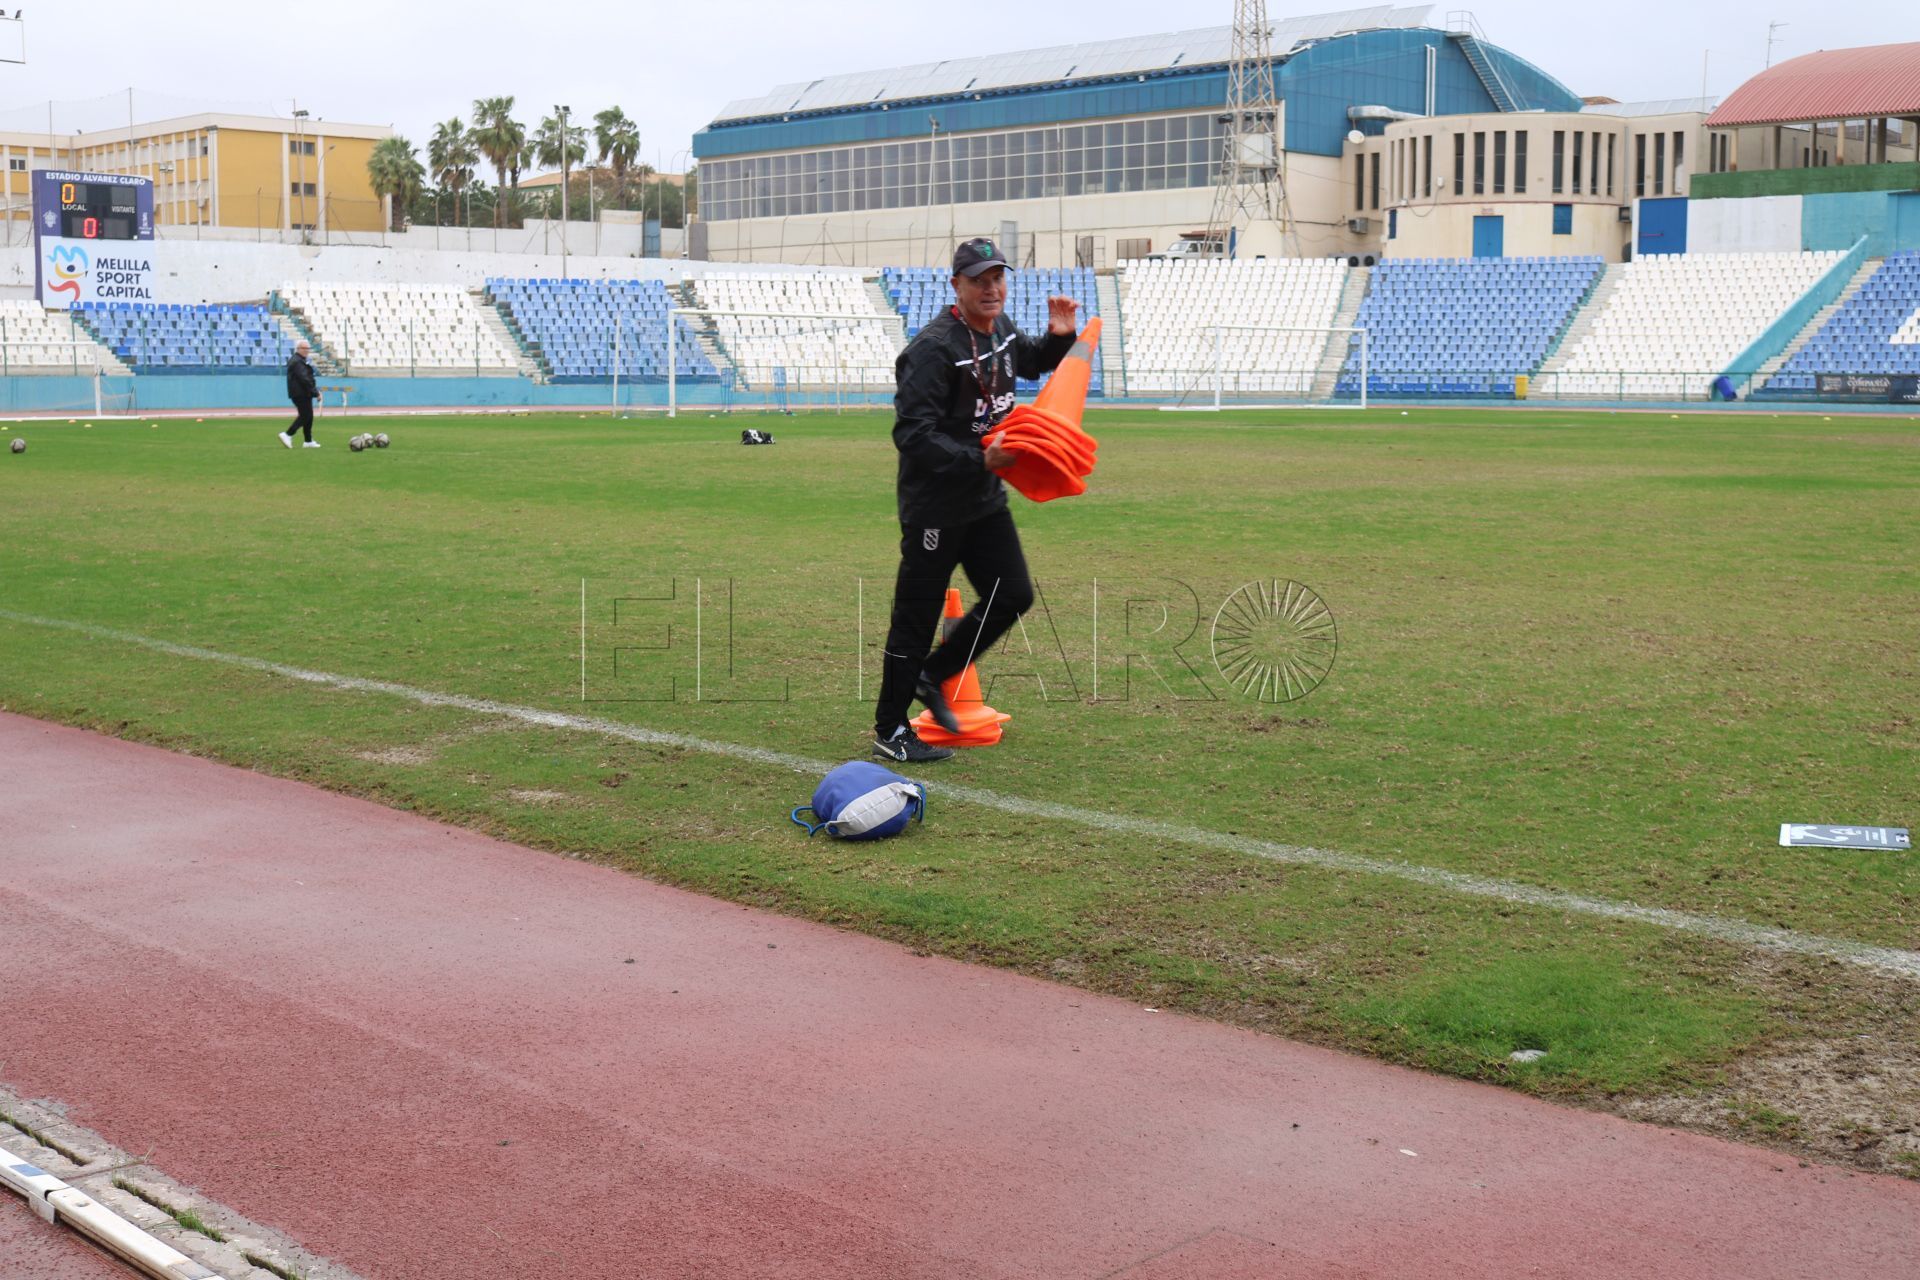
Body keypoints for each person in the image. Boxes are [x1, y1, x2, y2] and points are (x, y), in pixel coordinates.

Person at [872, 237, 1079, 763]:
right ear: (956, 286)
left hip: (984, 498)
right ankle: (890, 728)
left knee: (1013, 595)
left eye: (997, 278)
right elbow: (912, 435)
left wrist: (1060, 339)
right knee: (917, 617)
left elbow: (1030, 362)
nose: (991, 289)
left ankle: (935, 674)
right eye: (979, 280)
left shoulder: (1000, 328)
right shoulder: (931, 350)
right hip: (934, 507)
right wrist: (979, 459)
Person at [279, 341, 320, 448]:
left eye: (308, 348)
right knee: (305, 416)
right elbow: (304, 378)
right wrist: (315, 392)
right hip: (300, 393)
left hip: (304, 392)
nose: (307, 350)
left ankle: (308, 441)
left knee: (309, 416)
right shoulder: (297, 361)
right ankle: (288, 434)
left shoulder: (299, 360)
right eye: (304, 348)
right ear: (298, 349)